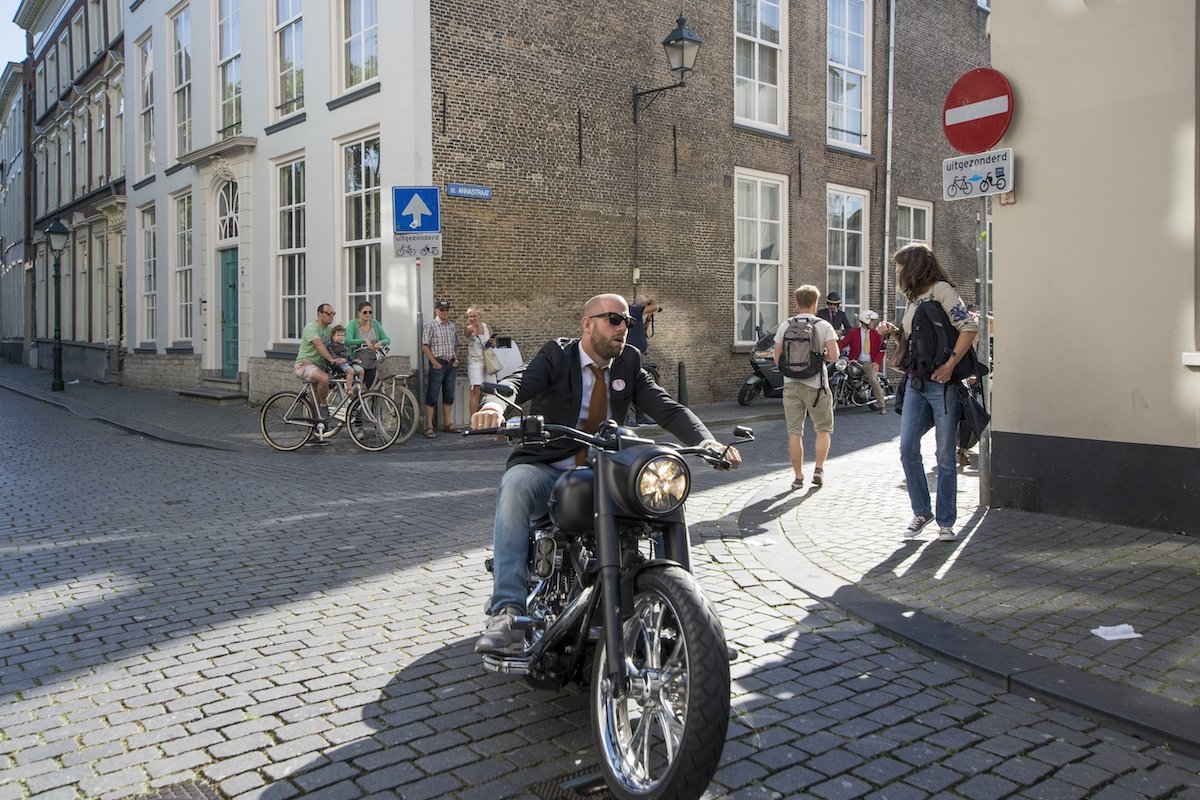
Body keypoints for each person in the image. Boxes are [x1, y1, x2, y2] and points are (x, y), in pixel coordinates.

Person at [470, 293, 741, 656]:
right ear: (588, 324)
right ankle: (507, 613)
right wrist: (494, 405)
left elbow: (667, 408)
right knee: (515, 485)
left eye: (628, 321)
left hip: (605, 471)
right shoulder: (557, 355)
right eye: (614, 319)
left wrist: (707, 442)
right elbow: (518, 382)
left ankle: (687, 622)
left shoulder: (629, 361)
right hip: (549, 467)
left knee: (663, 494)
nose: (623, 328)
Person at [878, 242, 979, 542]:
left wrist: (950, 366)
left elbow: (969, 327)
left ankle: (946, 522)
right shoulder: (913, 298)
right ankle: (922, 512)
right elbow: (915, 339)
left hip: (942, 385)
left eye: (900, 265)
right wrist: (895, 333)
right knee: (907, 447)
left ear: (915, 265)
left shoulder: (941, 291)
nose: (897, 270)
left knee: (944, 454)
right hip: (915, 382)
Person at [774, 285, 840, 489]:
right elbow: (834, 356)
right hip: (816, 385)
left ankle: (798, 476)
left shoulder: (785, 326)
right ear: (815, 303)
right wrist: (821, 356)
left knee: (794, 432)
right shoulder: (823, 326)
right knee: (823, 429)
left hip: (790, 385)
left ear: (797, 303)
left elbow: (777, 359)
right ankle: (818, 469)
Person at [293, 303, 345, 415]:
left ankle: (314, 421)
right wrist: (332, 360)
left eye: (333, 313)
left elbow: (337, 344)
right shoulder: (311, 328)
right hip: (304, 365)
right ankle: (324, 405)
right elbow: (319, 345)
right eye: (328, 313)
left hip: (320, 367)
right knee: (324, 378)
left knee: (314, 404)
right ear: (319, 314)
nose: (331, 316)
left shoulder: (330, 330)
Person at [422, 299, 460, 438]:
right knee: (432, 394)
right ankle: (429, 426)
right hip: (438, 363)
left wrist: (455, 358)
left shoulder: (452, 326)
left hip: (450, 364)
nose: (444, 312)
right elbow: (425, 346)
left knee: (449, 394)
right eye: (441, 310)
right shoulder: (430, 326)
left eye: (446, 310)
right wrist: (434, 362)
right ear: (436, 311)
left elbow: (455, 344)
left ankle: (447, 423)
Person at [838, 309, 888, 413]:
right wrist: (832, 350)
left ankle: (881, 405)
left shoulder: (876, 334)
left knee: (873, 380)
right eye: (872, 321)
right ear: (866, 321)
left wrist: (876, 362)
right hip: (854, 362)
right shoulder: (853, 333)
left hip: (869, 363)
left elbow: (882, 350)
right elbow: (842, 344)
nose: (874, 323)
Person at [626, 295, 661, 425]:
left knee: (636, 384)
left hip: (636, 352)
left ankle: (640, 416)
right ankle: (626, 418)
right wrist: (651, 301)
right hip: (631, 354)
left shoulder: (634, 314)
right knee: (629, 384)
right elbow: (657, 307)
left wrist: (648, 319)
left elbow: (642, 329)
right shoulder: (635, 310)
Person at [345, 301, 391, 391]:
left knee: (374, 391)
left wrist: (380, 343)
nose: (368, 314)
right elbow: (347, 341)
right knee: (358, 392)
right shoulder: (353, 324)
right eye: (365, 312)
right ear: (359, 313)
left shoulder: (374, 324)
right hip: (358, 364)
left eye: (370, 312)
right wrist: (364, 340)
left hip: (372, 363)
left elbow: (387, 340)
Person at [464, 307, 494, 413]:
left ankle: (489, 415)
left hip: (488, 361)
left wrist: (492, 342)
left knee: (490, 391)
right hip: (475, 361)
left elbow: (493, 344)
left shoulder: (486, 327)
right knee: (476, 391)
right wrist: (472, 330)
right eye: (470, 316)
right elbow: (466, 335)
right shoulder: (469, 329)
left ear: (480, 316)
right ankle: (473, 418)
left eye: (474, 316)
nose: (472, 318)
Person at [326, 325, 365, 397]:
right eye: (338, 335)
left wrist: (353, 360)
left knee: (361, 370)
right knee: (351, 371)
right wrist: (338, 359)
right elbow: (332, 356)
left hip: (347, 363)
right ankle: (349, 389)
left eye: (342, 335)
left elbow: (347, 356)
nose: (341, 337)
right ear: (333, 336)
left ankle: (360, 385)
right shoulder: (331, 346)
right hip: (337, 365)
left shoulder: (343, 346)